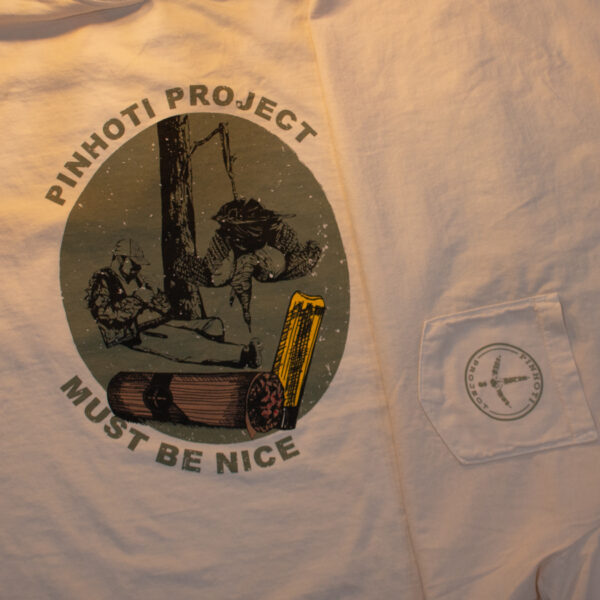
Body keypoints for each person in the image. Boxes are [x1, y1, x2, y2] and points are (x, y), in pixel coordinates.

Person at [86, 239, 261, 367]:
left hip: (155, 321)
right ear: (120, 259)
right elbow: (106, 315)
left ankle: (218, 355)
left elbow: (166, 308)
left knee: (213, 325)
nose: (137, 269)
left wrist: (156, 296)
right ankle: (243, 354)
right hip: (132, 333)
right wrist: (137, 299)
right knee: (185, 340)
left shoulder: (137, 278)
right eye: (134, 264)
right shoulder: (104, 279)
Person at [175, 197, 322, 329]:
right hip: (229, 249)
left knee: (273, 268)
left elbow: (295, 254)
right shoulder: (226, 244)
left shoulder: (274, 235)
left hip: (266, 252)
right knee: (218, 276)